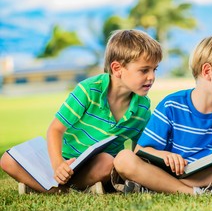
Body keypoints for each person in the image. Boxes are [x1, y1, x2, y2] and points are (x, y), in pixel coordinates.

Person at [0, 29, 162, 194]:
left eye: (154, 69)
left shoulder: (142, 108)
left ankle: (55, 189)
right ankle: (61, 187)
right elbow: (56, 129)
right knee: (7, 160)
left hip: (95, 167)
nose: (152, 77)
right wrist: (58, 165)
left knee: (107, 161)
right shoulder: (89, 90)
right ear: (117, 69)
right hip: (62, 161)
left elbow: (139, 149)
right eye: (144, 70)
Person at [113, 35, 212, 195]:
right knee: (124, 158)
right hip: (169, 170)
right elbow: (141, 150)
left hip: (204, 174)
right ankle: (194, 192)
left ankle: (161, 186)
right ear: (207, 71)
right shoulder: (172, 105)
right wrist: (164, 155)